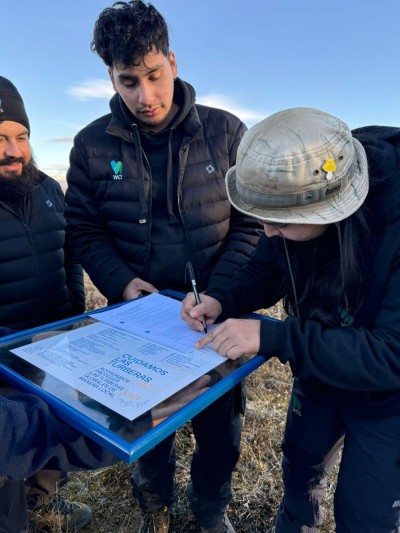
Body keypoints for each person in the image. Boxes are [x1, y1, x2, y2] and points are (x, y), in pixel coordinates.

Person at [65, 2, 259, 531]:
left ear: (172, 61)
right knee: (145, 424)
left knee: (221, 431)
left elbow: (249, 226)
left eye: (154, 76)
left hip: (213, 315)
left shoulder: (226, 132)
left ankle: (211, 511)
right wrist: (123, 285)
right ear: (111, 76)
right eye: (129, 81)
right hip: (135, 318)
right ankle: (155, 508)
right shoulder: (90, 145)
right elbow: (84, 230)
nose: (145, 96)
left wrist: (220, 294)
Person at [181, 107, 400, 532]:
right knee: (300, 473)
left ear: (326, 209)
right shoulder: (292, 203)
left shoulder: (391, 228)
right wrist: (220, 299)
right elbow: (267, 267)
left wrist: (276, 337)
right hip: (318, 380)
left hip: (386, 403)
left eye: (278, 221)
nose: (266, 231)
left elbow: (392, 354)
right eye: (260, 217)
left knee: (366, 515)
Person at [0, 76, 91, 532]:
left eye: (20, 137)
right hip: (4, 357)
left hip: (57, 339)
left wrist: (75, 310)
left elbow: (70, 251)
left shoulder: (51, 190)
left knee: (55, 428)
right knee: (9, 449)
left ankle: (45, 507)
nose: (12, 150)